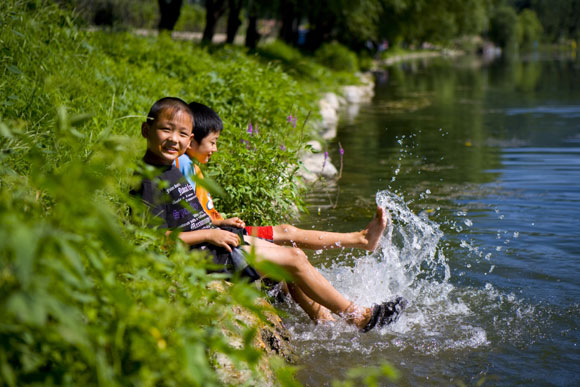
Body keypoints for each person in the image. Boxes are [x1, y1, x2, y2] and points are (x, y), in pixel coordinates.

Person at [134, 97, 406, 332]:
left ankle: (328, 319)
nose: (174, 139)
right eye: (166, 130)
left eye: (182, 134)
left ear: (190, 138)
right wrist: (210, 233)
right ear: (147, 130)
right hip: (203, 254)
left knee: (294, 253)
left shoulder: (170, 167)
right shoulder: (148, 180)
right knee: (294, 258)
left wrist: (218, 225)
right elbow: (157, 240)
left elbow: (186, 216)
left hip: (214, 242)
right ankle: (358, 318)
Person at [175, 101, 388, 252]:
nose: (216, 149)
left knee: (287, 237)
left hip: (222, 229)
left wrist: (220, 219)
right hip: (218, 236)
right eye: (212, 142)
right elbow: (188, 217)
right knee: (287, 233)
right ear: (191, 140)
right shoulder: (183, 163)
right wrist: (218, 224)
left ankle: (359, 241)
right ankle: (360, 239)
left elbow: (196, 210)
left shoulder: (191, 165)